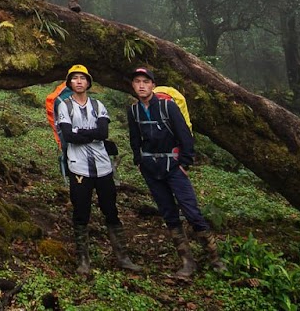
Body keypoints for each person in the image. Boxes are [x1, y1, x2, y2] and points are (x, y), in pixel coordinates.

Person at [126, 67, 224, 279]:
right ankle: (187, 262)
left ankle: (215, 259)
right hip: (151, 169)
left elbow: (185, 136)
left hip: (174, 168)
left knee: (191, 212)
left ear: (153, 85)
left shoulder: (167, 107)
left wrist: (183, 164)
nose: (141, 85)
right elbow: (135, 139)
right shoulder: (133, 111)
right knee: (169, 214)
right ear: (133, 86)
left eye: (145, 81)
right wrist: (139, 161)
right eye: (137, 81)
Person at [56, 64, 141, 277]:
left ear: (88, 82)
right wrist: (89, 133)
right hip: (78, 167)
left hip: (103, 167)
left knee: (110, 210)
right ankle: (83, 260)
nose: (78, 81)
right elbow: (68, 135)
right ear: (69, 83)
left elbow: (103, 132)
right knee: (81, 212)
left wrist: (81, 132)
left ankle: (123, 256)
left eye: (82, 78)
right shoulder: (64, 106)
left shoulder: (98, 104)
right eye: (74, 78)